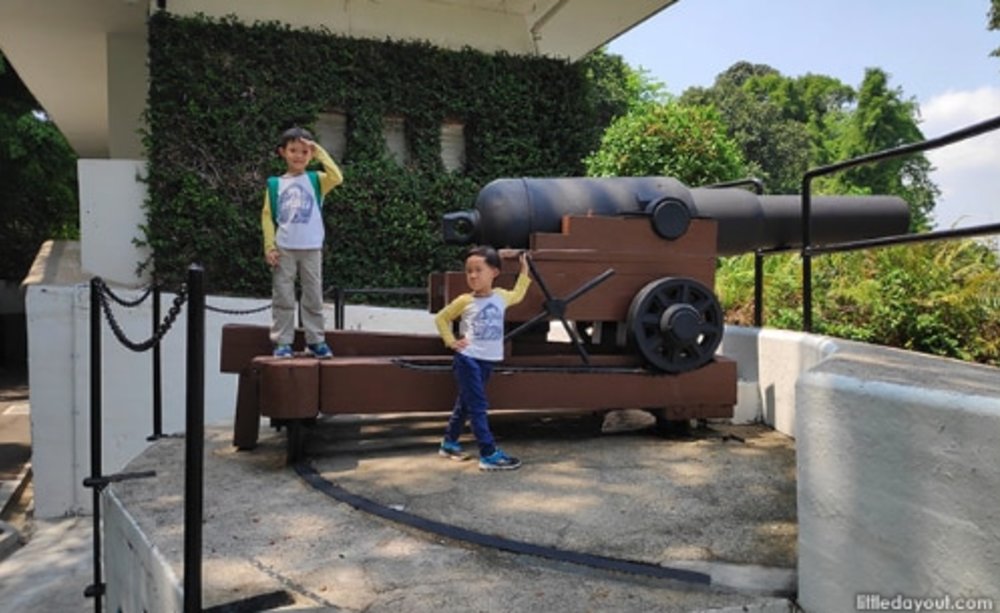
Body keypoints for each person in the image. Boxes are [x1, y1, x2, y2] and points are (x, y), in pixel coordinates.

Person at [434, 245, 532, 471]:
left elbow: (519, 292)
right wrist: (451, 341)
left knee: (466, 404)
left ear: (494, 273)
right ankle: (488, 453)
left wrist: (523, 266)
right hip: (467, 359)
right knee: (478, 406)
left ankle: (449, 443)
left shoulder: (501, 297)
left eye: (479, 270)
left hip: (487, 360)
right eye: (469, 271)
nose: (473, 275)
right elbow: (442, 318)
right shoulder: (464, 300)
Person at [261, 126, 343, 358]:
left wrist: (320, 153)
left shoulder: (316, 179)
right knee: (283, 295)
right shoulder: (275, 184)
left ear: (311, 154)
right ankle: (283, 342)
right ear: (283, 152)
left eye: (304, 151)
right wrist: (269, 246)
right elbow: (267, 217)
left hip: (311, 248)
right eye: (293, 150)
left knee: (313, 295)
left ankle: (316, 340)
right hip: (284, 247)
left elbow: (337, 177)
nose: (299, 156)